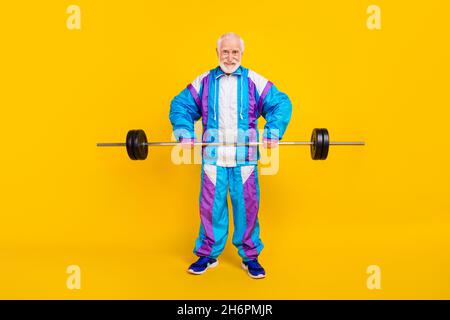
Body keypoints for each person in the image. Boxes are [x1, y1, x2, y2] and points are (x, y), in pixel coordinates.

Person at [169, 32, 292, 279]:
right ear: (217, 53)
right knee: (210, 209)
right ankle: (207, 254)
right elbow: (180, 105)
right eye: (225, 51)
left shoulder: (254, 81)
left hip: (244, 159)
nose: (230, 56)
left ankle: (250, 258)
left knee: (247, 208)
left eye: (234, 52)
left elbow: (280, 103)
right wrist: (184, 132)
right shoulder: (204, 81)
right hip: (213, 159)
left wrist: (272, 131)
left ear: (241, 54)